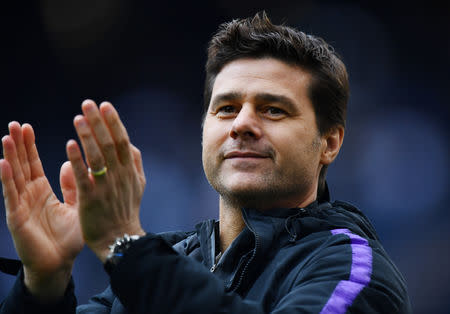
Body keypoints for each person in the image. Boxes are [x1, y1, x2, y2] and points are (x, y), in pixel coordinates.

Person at [0, 12, 411, 313]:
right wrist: (43, 285)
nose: (243, 124)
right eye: (227, 108)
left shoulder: (353, 270)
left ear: (330, 143)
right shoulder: (163, 262)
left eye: (273, 110)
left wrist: (125, 244)